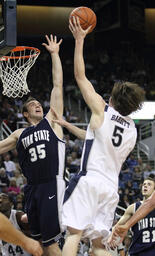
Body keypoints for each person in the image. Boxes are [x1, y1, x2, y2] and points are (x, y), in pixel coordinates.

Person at [60, 17, 145, 256]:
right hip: (111, 188)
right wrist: (69, 125)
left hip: (90, 180)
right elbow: (98, 140)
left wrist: (79, 40)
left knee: (73, 235)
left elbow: (80, 76)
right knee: (98, 246)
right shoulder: (133, 130)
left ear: (113, 100)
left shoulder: (102, 110)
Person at [0, 34, 65, 256]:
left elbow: (57, 85)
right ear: (26, 114)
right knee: (38, 243)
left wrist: (55, 55)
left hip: (50, 185)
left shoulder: (51, 122)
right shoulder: (19, 133)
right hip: (31, 189)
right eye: (33, 105)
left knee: (52, 243)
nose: (38, 105)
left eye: (39, 103)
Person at [110, 177, 155, 256]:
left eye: (149, 184)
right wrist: (112, 235)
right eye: (144, 184)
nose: (145, 186)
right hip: (138, 251)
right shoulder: (132, 207)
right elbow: (118, 226)